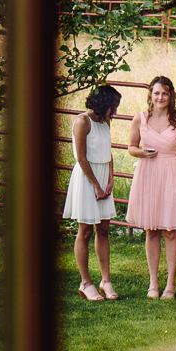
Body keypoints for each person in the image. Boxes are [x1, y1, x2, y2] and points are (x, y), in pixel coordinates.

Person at [126, 75, 176, 298]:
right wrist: (144, 153)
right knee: (151, 230)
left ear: (171, 95)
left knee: (171, 231)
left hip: (171, 174)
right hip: (147, 173)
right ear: (150, 95)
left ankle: (171, 283)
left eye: (165, 93)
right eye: (156, 93)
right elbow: (131, 147)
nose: (160, 97)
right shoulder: (140, 118)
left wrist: (167, 157)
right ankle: (153, 283)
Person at [64, 85, 123, 300]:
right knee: (85, 230)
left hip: (102, 174)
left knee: (104, 228)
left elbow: (108, 151)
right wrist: (96, 185)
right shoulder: (82, 122)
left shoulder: (104, 121)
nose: (114, 111)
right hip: (87, 178)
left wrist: (110, 177)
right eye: (112, 106)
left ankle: (106, 281)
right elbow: (81, 157)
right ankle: (85, 283)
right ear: (103, 104)